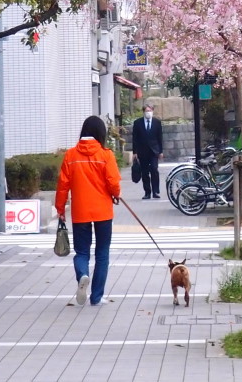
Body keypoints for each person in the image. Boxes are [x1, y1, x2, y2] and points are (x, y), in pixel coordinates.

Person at [55, 115, 121, 306]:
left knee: (82, 252)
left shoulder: (71, 155)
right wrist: (116, 194)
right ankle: (96, 297)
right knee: (102, 253)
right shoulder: (106, 155)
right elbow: (113, 182)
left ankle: (82, 275)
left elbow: (62, 185)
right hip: (103, 212)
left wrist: (60, 208)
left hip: (80, 212)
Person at [131, 102, 163, 199]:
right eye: (146, 111)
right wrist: (135, 152)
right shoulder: (137, 123)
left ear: (152, 111)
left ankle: (155, 191)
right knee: (144, 172)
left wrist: (161, 151)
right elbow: (135, 138)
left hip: (154, 151)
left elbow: (160, 137)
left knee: (154, 169)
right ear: (143, 112)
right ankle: (147, 192)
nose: (148, 112)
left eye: (150, 110)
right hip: (142, 151)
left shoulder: (157, 122)